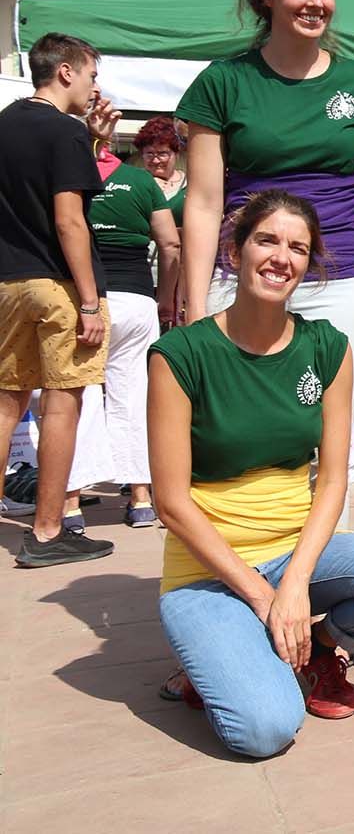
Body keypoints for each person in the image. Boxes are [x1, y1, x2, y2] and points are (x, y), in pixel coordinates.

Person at [150, 191, 354, 757]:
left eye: (298, 247)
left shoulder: (327, 348)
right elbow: (170, 503)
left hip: (294, 552)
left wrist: (295, 585)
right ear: (235, 252)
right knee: (264, 730)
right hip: (205, 571)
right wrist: (265, 598)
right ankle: (224, 653)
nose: (281, 256)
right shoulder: (180, 353)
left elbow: (332, 480)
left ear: (311, 264)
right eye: (267, 239)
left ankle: (319, 646)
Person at [176, 0, 354, 508]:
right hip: (241, 277)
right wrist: (195, 306)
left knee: (335, 442)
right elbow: (202, 203)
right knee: (235, 430)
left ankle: (322, 576)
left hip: (339, 282)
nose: (315, 1)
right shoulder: (222, 82)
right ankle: (238, 574)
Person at [0, 33, 116, 566]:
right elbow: (69, 219)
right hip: (57, 285)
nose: (94, 86)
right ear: (65, 72)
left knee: (6, 404)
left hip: (7, 283)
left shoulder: (5, 122)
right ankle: (48, 531)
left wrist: (88, 143)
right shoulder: (63, 131)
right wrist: (90, 302)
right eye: (91, 74)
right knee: (62, 405)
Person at [83, 113, 181, 527]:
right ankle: (140, 497)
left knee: (80, 399)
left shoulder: (71, 181)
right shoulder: (141, 183)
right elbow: (171, 245)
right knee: (133, 396)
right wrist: (164, 299)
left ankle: (70, 504)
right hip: (138, 298)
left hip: (86, 299)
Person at [134, 115, 187, 202]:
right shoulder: (135, 181)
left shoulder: (188, 184)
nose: (155, 161)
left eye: (162, 154)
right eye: (149, 154)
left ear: (176, 154)